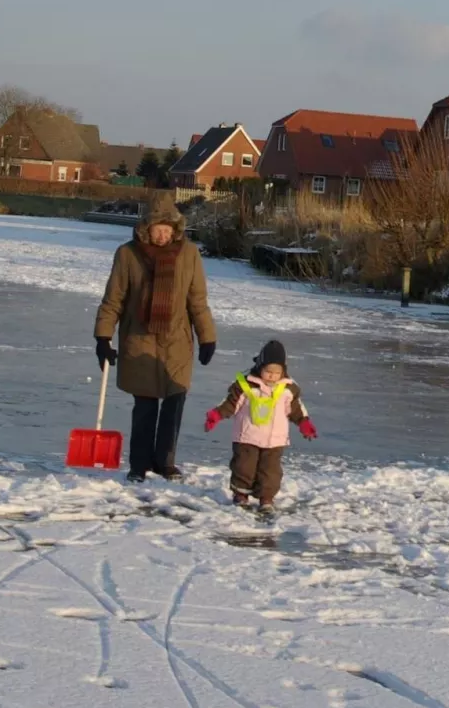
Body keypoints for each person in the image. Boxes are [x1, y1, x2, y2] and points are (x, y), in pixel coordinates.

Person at [94, 195, 216, 483]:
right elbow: (114, 299)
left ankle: (165, 462)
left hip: (177, 341)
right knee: (145, 406)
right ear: (146, 229)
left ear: (175, 229)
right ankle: (139, 464)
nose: (162, 235)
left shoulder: (189, 254)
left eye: (167, 229)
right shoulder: (128, 254)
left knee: (174, 402)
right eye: (157, 229)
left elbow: (197, 300)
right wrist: (103, 337)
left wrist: (207, 337)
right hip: (140, 340)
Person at [204, 339, 316, 514]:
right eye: (268, 371)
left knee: (270, 471)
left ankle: (266, 498)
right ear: (260, 366)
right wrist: (216, 415)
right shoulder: (245, 385)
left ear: (283, 371)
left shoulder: (288, 389)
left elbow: (296, 409)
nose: (272, 376)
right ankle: (241, 495)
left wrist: (304, 423)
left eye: (277, 372)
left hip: (274, 440)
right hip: (247, 436)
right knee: (244, 467)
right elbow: (230, 404)